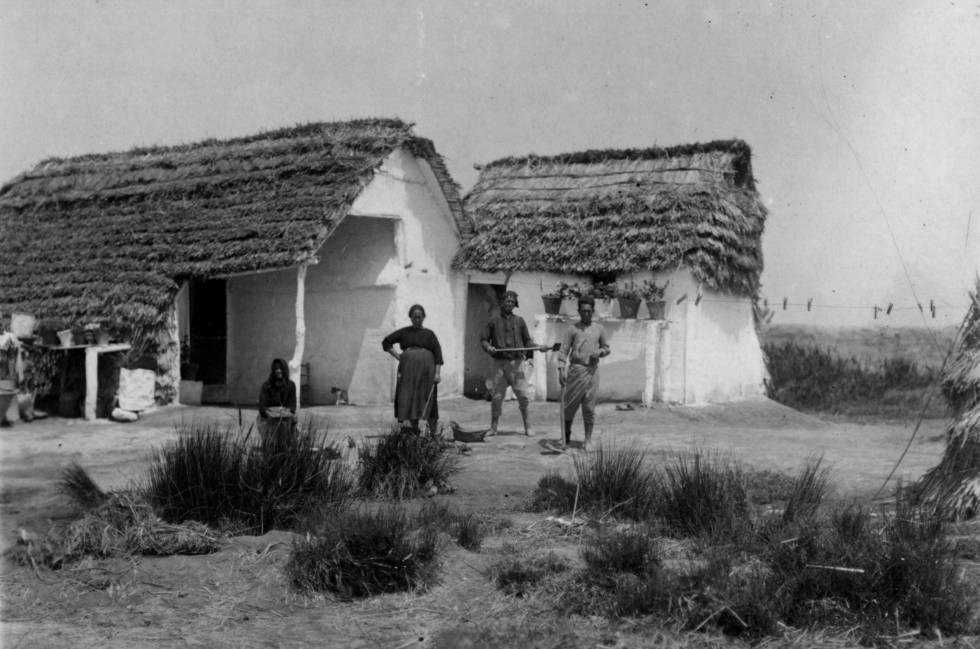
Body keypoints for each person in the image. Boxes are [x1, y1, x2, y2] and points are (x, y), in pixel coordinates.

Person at [481, 290, 551, 437]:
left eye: (512, 302)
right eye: (507, 301)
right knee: (497, 397)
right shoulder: (493, 321)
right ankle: (493, 428)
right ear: (501, 303)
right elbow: (484, 339)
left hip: (516, 364)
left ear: (515, 305)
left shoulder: (520, 321)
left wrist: (539, 347)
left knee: (523, 396)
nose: (509, 304)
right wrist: (489, 347)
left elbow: (527, 341)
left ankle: (528, 426)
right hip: (499, 364)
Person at [557, 296, 610, 451]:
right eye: (583, 311)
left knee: (589, 407)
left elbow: (607, 348)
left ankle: (587, 440)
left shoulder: (599, 329)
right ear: (579, 311)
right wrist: (561, 369)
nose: (586, 314)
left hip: (592, 372)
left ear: (593, 311)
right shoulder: (572, 329)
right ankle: (565, 438)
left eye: (589, 311)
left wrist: (599, 352)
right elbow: (563, 350)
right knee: (569, 407)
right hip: (576, 371)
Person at [382, 304, 443, 433]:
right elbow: (386, 342)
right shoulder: (404, 332)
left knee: (429, 398)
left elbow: (438, 354)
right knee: (411, 398)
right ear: (410, 318)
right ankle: (414, 430)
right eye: (414, 317)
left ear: (424, 317)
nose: (417, 319)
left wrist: (437, 373)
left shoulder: (429, 334)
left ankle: (433, 433)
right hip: (408, 371)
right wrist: (399, 356)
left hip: (427, 371)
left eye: (419, 317)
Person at [257, 358, 297, 442]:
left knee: (293, 423)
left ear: (285, 369)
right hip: (269, 417)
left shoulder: (291, 385)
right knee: (269, 436)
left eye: (280, 368)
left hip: (285, 416)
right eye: (276, 369)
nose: (278, 371)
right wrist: (271, 413)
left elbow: (292, 406)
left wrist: (284, 412)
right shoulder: (266, 386)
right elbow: (262, 407)